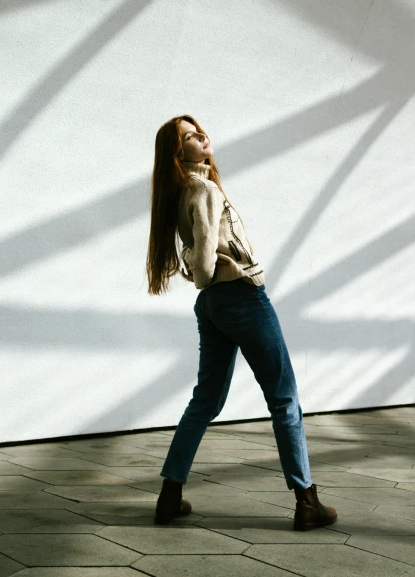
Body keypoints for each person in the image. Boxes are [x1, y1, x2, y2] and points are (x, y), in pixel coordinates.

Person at [146, 114, 337, 531]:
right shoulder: (205, 189)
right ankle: (307, 502)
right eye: (191, 137)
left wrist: (206, 281)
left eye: (199, 130)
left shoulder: (181, 192)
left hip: (213, 306)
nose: (202, 136)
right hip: (242, 298)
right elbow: (202, 261)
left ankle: (169, 495)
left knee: (206, 401)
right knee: (284, 398)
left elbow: (197, 258)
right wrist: (211, 275)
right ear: (179, 153)